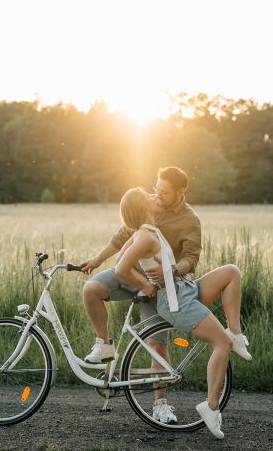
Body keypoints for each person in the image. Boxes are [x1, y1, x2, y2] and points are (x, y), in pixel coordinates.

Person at [113, 187, 250, 439]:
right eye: (149, 196)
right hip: (176, 302)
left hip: (184, 288)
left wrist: (159, 272)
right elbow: (120, 268)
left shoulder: (147, 232)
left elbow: (126, 258)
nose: (155, 196)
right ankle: (210, 407)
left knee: (231, 272)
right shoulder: (144, 236)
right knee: (222, 344)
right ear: (143, 207)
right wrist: (145, 284)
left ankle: (236, 331)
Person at [80, 167, 204, 424]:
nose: (157, 195)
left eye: (164, 192)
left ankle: (161, 405)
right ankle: (104, 344)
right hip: (129, 275)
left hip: (157, 285)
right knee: (92, 289)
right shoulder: (147, 207)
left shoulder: (190, 220)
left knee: (158, 345)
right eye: (155, 189)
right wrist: (96, 259)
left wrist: (169, 270)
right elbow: (120, 239)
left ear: (181, 192)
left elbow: (191, 259)